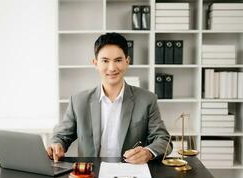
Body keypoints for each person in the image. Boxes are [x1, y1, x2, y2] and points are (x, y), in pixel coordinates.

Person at [47, 32, 172, 164]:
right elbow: (61, 136)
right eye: (105, 61)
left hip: (130, 174)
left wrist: (148, 152)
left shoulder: (147, 99)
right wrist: (56, 144)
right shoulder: (78, 101)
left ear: (127, 62)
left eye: (118, 60)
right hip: (91, 175)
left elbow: (163, 139)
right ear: (95, 63)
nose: (112, 68)